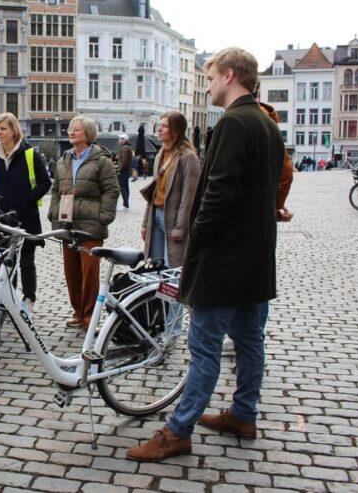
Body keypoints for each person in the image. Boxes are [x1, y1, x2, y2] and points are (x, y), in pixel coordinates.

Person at [126, 47, 285, 462]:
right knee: (250, 342)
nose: (208, 83)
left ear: (229, 75)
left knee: (204, 347)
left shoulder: (233, 123)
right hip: (255, 259)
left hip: (224, 261)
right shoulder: (267, 124)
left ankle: (178, 430)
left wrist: (198, 238)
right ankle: (243, 413)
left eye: (211, 76)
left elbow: (221, 192)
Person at [0, 112, 51, 312]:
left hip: (26, 217)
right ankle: (10, 298)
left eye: (3, 128)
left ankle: (29, 299)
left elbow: (45, 183)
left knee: (26, 261)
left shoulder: (29, 154)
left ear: (14, 130)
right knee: (6, 261)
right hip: (1, 219)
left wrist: (27, 199)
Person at [47, 116, 119, 329]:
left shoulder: (101, 161)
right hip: (67, 225)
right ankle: (78, 312)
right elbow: (55, 190)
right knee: (72, 272)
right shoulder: (63, 160)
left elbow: (111, 190)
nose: (71, 132)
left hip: (90, 226)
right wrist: (54, 214)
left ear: (87, 134)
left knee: (90, 274)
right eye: (70, 129)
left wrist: (103, 217)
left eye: (76, 129)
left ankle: (90, 317)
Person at [140, 111, 200, 268]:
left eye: (164, 126)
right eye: (159, 125)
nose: (159, 129)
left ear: (176, 130)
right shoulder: (160, 155)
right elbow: (152, 193)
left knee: (172, 268)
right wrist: (146, 223)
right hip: (156, 215)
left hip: (173, 219)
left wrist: (180, 227)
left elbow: (190, 197)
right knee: (157, 267)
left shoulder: (188, 157)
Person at [115, 134, 134, 210]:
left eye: (120, 139)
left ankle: (125, 204)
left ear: (124, 140)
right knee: (125, 187)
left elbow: (124, 161)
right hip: (126, 170)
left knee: (122, 187)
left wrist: (120, 170)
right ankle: (126, 203)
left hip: (123, 171)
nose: (118, 140)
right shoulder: (126, 147)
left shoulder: (125, 148)